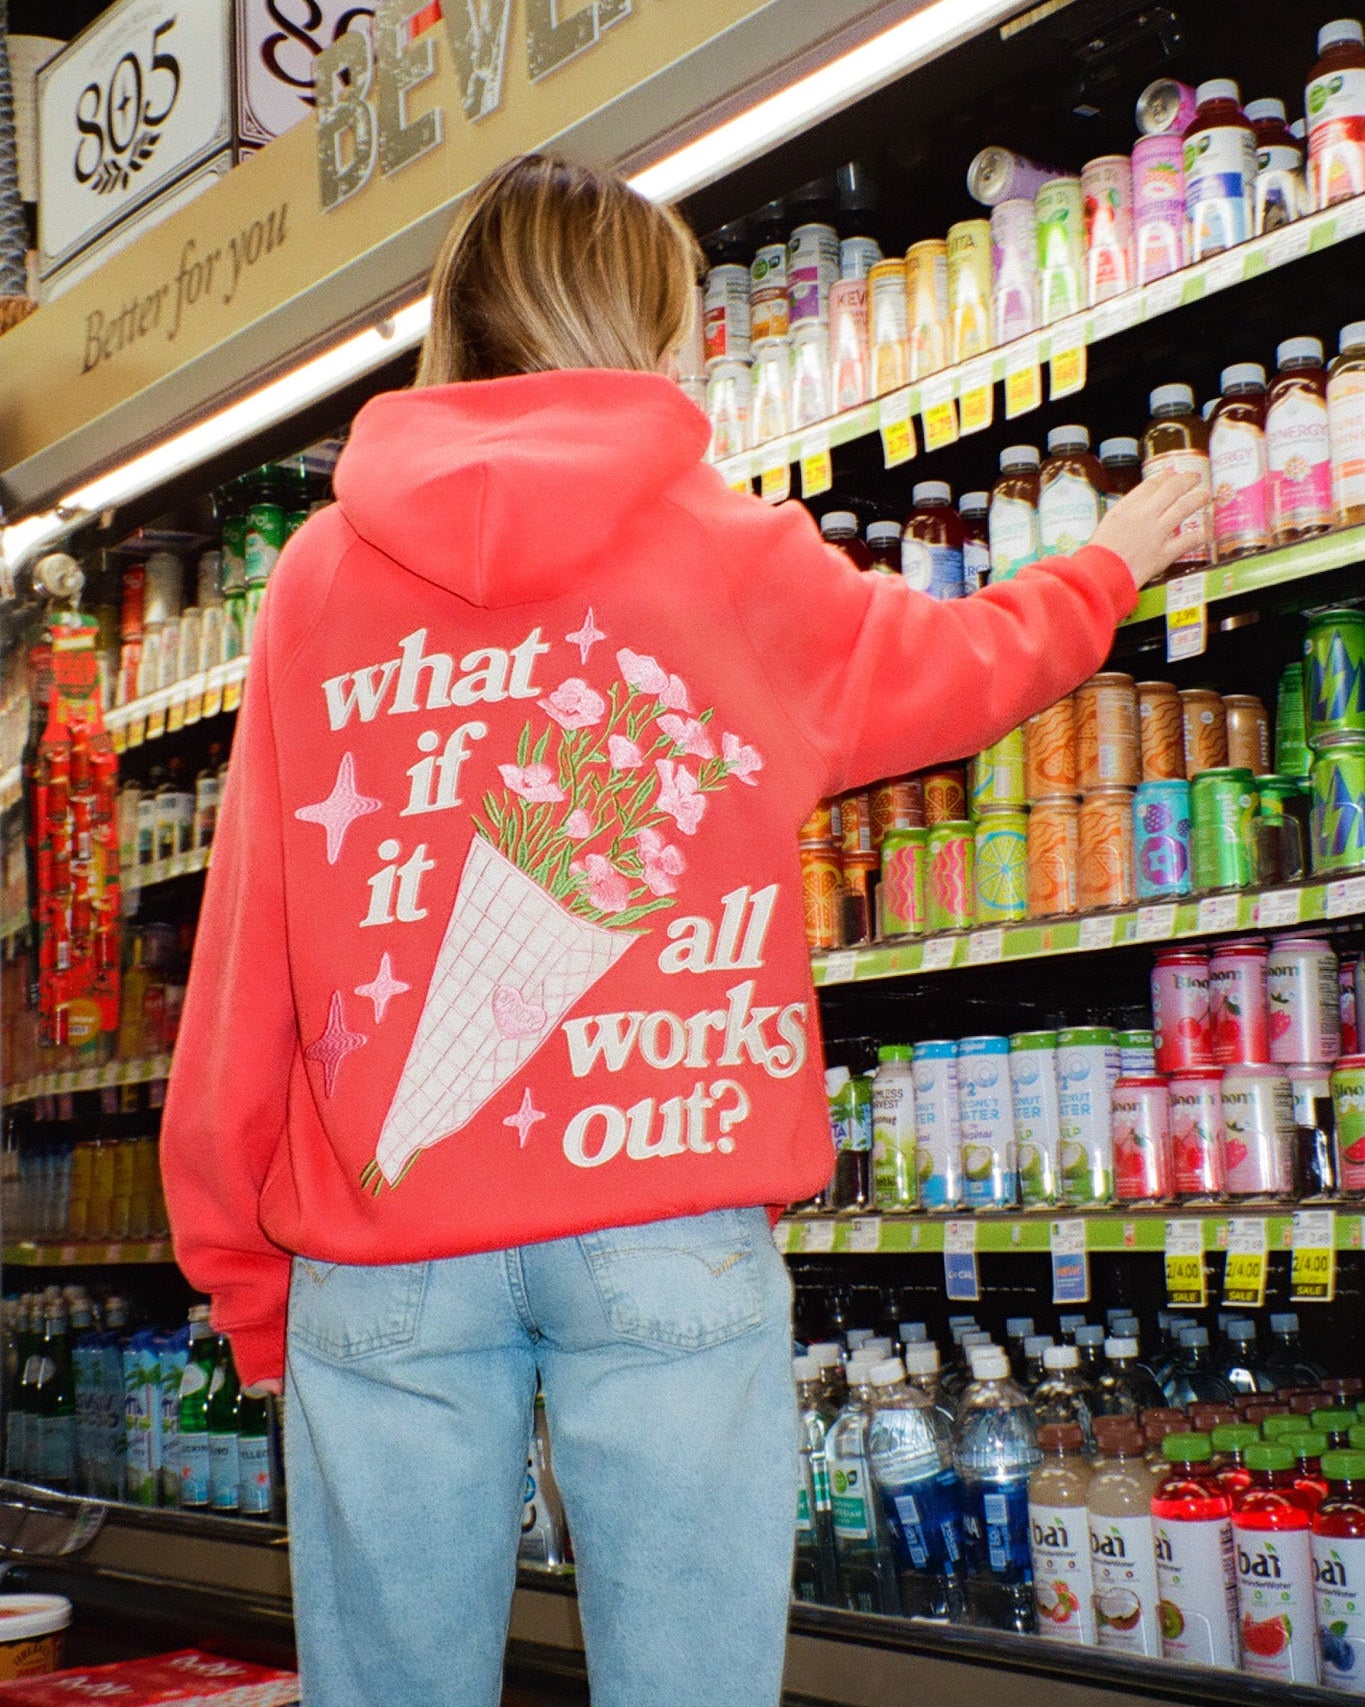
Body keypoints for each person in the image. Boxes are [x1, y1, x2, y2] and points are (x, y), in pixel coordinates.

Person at [160, 154, 1203, 1707]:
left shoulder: (318, 576)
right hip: (662, 1206)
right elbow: (965, 663)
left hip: (377, 1249)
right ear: (650, 331)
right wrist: (1115, 551)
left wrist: (240, 1265)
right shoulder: (725, 549)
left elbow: (254, 937)